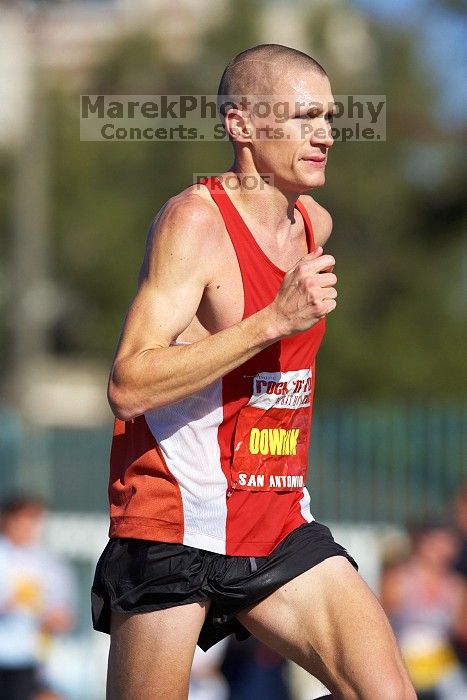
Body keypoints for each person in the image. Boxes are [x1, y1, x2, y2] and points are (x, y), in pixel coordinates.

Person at [91, 43, 416, 699]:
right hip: (173, 522)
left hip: (275, 522)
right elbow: (127, 384)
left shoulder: (312, 224)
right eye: (301, 117)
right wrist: (271, 321)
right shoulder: (195, 223)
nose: (323, 134)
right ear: (240, 125)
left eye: (327, 117)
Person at [381, 518, 467, 699]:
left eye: (447, 543)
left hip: (441, 666)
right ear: (421, 542)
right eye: (436, 543)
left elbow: (461, 630)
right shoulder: (398, 579)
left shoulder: (456, 586)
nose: (442, 549)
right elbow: (380, 621)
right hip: (404, 662)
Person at [0, 495, 76, 700]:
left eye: (34, 519)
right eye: (22, 519)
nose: (29, 526)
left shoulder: (49, 562)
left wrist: (55, 618)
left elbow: (64, 614)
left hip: (32, 658)